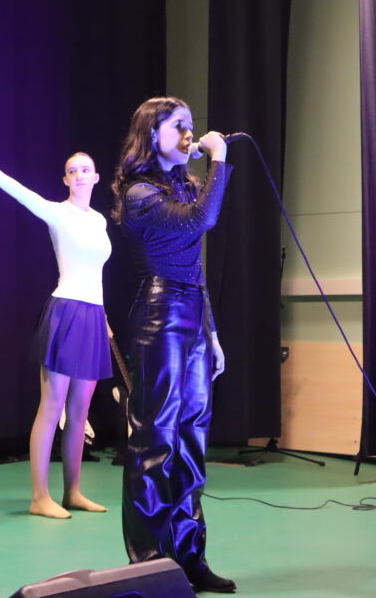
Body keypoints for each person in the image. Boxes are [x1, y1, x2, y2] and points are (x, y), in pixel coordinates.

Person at [112, 97, 236, 593]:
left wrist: (212, 332)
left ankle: (190, 558)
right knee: (155, 440)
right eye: (178, 125)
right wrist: (219, 160)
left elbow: (195, 264)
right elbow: (201, 222)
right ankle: (149, 566)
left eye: (191, 125)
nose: (189, 134)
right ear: (152, 133)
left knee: (192, 438)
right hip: (159, 315)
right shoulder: (140, 192)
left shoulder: (184, 185)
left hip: (193, 315)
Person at [0, 142, 112, 519]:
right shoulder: (57, 213)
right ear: (65, 180)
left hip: (93, 315)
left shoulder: (100, 221)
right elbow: (23, 195)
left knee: (80, 410)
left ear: (96, 178)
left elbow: (95, 273)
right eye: (72, 171)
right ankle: (40, 496)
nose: (78, 175)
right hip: (66, 312)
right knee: (52, 406)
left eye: (85, 169)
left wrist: (103, 315)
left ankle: (73, 492)